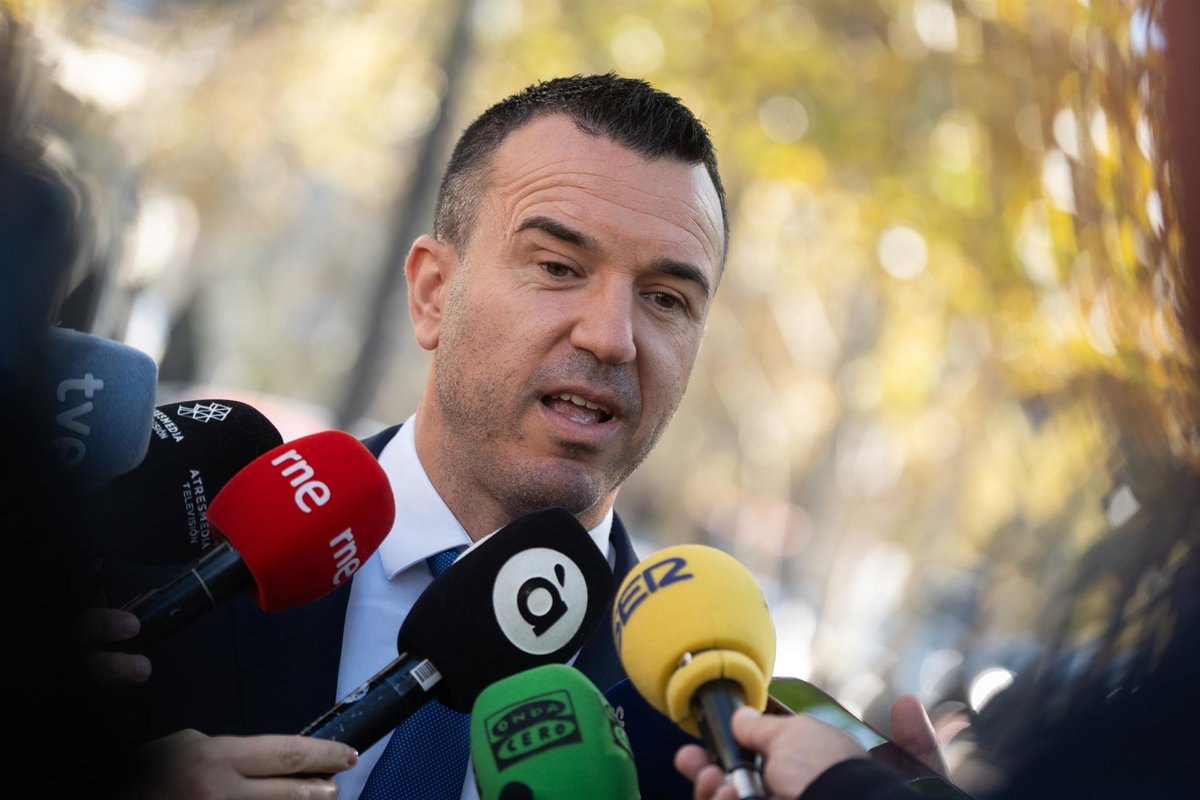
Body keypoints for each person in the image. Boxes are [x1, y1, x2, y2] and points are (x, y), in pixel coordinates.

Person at [92, 73, 941, 799]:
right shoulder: (143, 571)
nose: (612, 337)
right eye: (558, 268)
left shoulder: (724, 748)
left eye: (666, 299)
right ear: (433, 293)